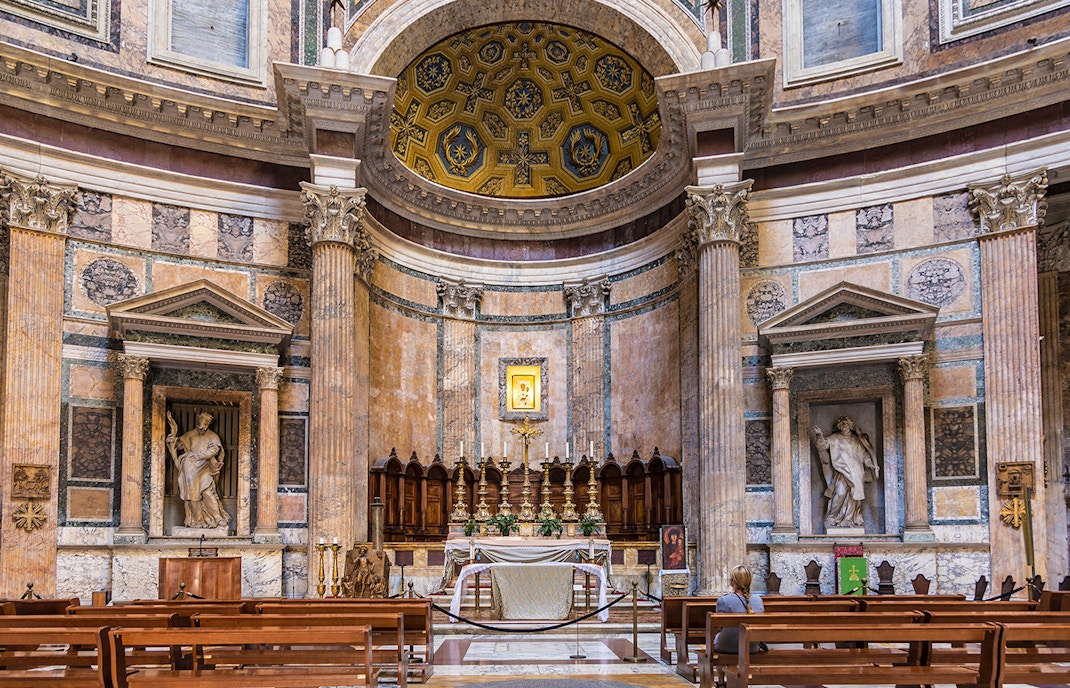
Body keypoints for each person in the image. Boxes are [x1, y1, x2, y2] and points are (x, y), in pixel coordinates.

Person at [811, 416, 879, 529]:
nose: (844, 426)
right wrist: (819, 435)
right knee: (840, 493)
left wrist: (871, 465)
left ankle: (849, 519)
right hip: (842, 471)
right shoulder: (835, 438)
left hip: (857, 472)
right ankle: (832, 517)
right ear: (839, 426)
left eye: (846, 424)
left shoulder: (856, 440)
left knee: (854, 497)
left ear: (850, 426)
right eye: (842, 424)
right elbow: (822, 446)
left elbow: (864, 456)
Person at [166, 411, 230, 529]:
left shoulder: (212, 436)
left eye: (207, 422)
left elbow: (215, 450)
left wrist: (200, 456)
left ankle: (217, 517)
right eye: (203, 421)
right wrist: (172, 439)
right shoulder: (191, 434)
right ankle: (197, 520)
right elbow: (179, 445)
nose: (204, 424)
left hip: (205, 467)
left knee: (208, 491)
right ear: (198, 420)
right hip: (190, 468)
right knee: (192, 494)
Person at [713, 565, 765, 653]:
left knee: (718, 636)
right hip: (751, 647)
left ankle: (720, 666)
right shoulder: (758, 600)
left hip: (727, 646)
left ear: (732, 581)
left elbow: (719, 626)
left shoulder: (724, 600)